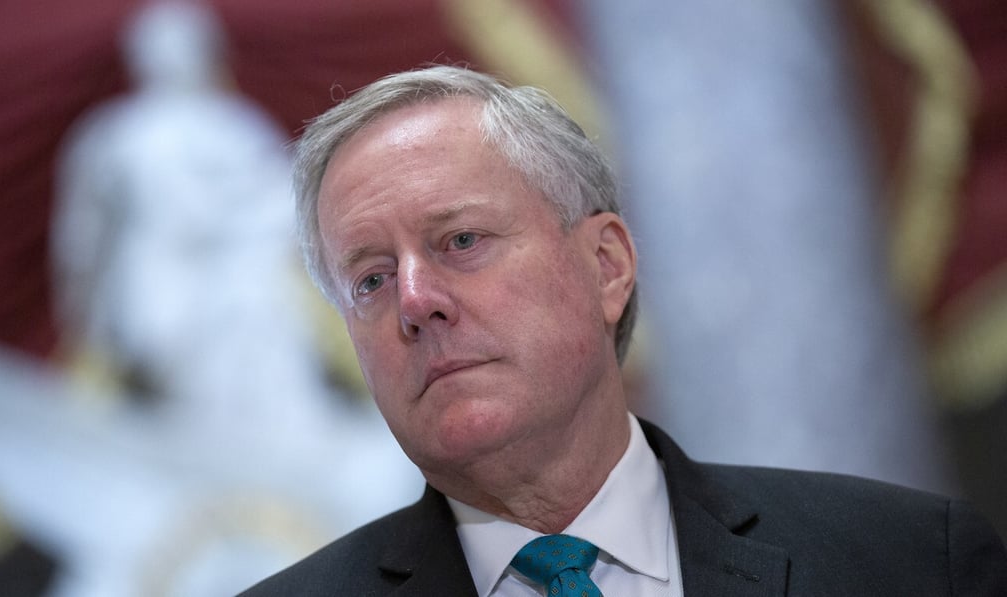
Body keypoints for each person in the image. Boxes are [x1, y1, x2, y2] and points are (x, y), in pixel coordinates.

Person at [242, 65, 1007, 596]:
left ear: (606, 265)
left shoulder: (909, 562)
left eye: (460, 241)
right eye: (370, 279)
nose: (414, 299)